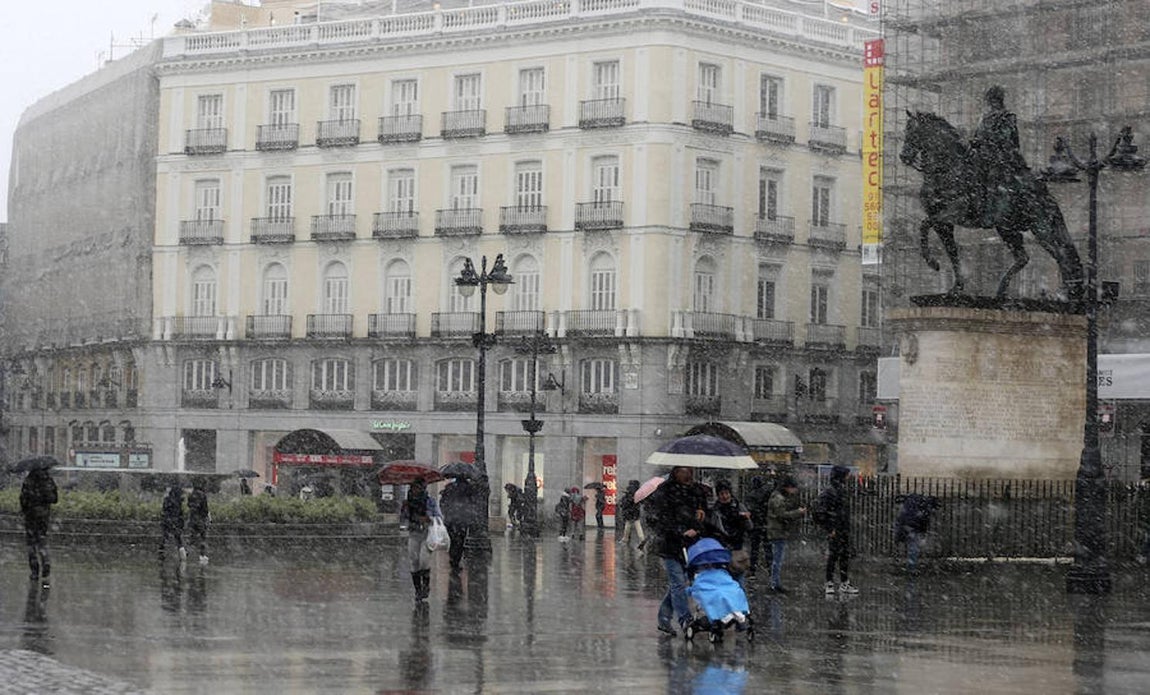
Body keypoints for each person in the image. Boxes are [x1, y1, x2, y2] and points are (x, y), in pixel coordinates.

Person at [646, 466, 707, 636]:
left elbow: (703, 515)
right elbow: (659, 518)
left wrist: (698, 523)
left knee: (679, 584)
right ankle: (684, 618)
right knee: (679, 583)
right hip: (671, 545)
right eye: (682, 470)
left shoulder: (696, 491)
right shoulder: (665, 491)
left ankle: (664, 618)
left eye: (688, 470)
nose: (686, 474)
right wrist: (678, 531)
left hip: (691, 545)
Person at [968, 85, 1027, 228]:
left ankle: (990, 214)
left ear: (999, 100)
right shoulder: (984, 117)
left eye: (993, 100)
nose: (991, 103)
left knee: (992, 179)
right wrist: (974, 142)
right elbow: (978, 134)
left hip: (1001, 157)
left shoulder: (1007, 117)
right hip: (983, 156)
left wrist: (985, 141)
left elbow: (1005, 137)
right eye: (990, 100)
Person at [814, 465, 858, 595]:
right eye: (846, 475)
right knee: (834, 556)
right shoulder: (831, 491)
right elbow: (820, 511)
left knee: (842, 556)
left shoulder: (839, 490)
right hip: (836, 529)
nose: (848, 478)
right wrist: (830, 528)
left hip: (842, 529)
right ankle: (830, 582)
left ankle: (842, 582)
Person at [401, 479, 443, 602]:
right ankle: (418, 590)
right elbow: (403, 519)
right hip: (413, 533)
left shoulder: (430, 501)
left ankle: (426, 586)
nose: (415, 490)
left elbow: (438, 517)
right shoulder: (408, 502)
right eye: (413, 488)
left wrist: (428, 519)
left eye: (418, 488)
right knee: (414, 561)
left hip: (427, 534)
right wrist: (405, 511)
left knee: (424, 561)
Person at [765, 477, 806, 594]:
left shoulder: (777, 497)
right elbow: (782, 515)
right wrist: (798, 512)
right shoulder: (778, 498)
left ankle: (775, 582)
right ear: (788, 487)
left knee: (777, 558)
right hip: (777, 532)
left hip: (777, 531)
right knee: (777, 559)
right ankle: (774, 583)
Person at [20, 468, 58, 583]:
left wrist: (25, 509)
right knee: (42, 539)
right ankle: (45, 560)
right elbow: (54, 499)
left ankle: (34, 571)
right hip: (44, 516)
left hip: (30, 516)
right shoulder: (49, 480)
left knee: (31, 543)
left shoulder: (28, 480)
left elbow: (23, 499)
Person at [711, 480, 752, 580]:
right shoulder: (715, 510)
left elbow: (750, 527)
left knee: (739, 579)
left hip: (738, 548)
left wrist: (745, 519)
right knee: (724, 580)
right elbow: (714, 528)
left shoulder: (739, 506)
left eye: (726, 493)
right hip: (722, 550)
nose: (725, 496)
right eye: (721, 494)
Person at [895, 494, 939, 571]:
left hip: (908, 525)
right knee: (913, 548)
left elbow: (906, 516)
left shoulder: (915, 502)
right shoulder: (925, 507)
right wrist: (922, 532)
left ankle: (907, 564)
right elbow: (922, 521)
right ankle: (911, 567)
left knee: (911, 546)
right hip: (912, 527)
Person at [440, 478, 473, 572]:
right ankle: (456, 560)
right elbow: (472, 503)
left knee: (453, 540)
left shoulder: (449, 487)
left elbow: (442, 503)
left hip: (451, 519)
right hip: (462, 520)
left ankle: (453, 558)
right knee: (460, 542)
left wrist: (446, 513)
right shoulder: (468, 488)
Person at [743, 476, 772, 580]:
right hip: (765, 523)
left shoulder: (751, 496)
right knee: (767, 548)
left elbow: (749, 510)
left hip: (755, 525)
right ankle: (770, 569)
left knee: (754, 548)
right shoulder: (767, 493)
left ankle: (752, 570)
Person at [617, 479, 646, 552]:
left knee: (628, 525)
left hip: (629, 511)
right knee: (637, 525)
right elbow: (641, 502)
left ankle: (625, 539)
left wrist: (626, 497)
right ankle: (642, 538)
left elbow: (626, 501)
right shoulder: (638, 492)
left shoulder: (629, 491)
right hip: (635, 511)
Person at [159, 485, 186, 561]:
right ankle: (182, 554)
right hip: (174, 520)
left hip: (167, 520)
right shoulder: (178, 501)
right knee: (178, 537)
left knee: (165, 537)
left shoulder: (167, 499)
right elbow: (180, 513)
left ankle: (161, 552)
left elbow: (164, 510)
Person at [187, 482, 211, 566]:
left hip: (193, 519)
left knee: (192, 537)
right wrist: (205, 517)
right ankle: (202, 555)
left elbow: (188, 505)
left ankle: (186, 552)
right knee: (203, 538)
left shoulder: (191, 495)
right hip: (201, 519)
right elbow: (205, 509)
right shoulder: (203, 495)